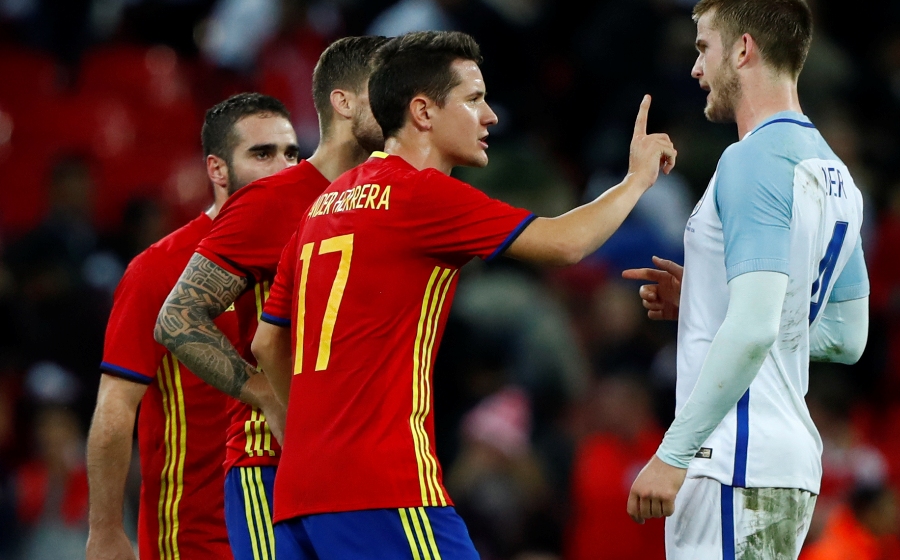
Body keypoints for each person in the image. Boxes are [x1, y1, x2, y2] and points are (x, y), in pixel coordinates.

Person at [250, 30, 676, 559]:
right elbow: (567, 243)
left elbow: (267, 344)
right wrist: (635, 179)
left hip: (300, 496)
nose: (490, 116)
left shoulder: (322, 207)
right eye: (474, 99)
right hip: (386, 488)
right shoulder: (420, 194)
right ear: (423, 112)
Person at [620, 0, 870, 559]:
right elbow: (847, 337)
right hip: (785, 465)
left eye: (703, 48)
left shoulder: (750, 159)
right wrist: (711, 303)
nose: (695, 69)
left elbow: (757, 327)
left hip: (733, 460)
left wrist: (673, 454)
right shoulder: (837, 175)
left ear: (743, 50)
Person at [153, 35, 387, 560]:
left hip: (354, 465)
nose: (400, 103)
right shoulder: (272, 200)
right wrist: (263, 394)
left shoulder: (385, 199)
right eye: (385, 90)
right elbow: (177, 317)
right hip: (270, 463)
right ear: (344, 101)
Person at [86, 93, 300, 560]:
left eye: (292, 153)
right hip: (196, 534)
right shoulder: (160, 268)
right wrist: (104, 531)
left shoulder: (309, 253)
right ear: (217, 170)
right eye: (262, 154)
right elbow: (116, 404)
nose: (285, 167)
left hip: (292, 523)